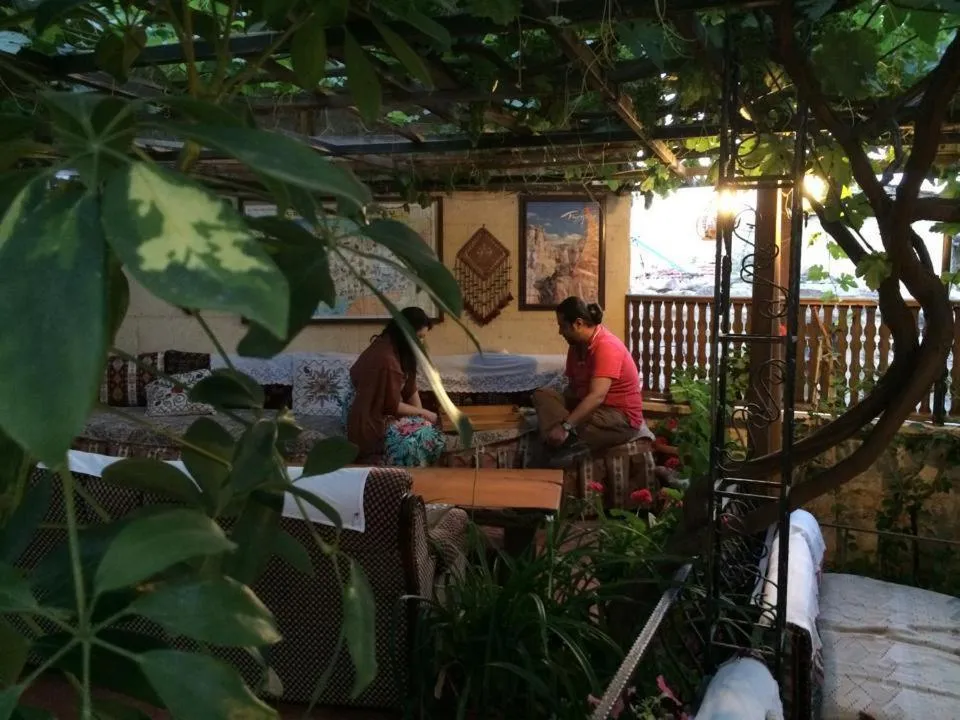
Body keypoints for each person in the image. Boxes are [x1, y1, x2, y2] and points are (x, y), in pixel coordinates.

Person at [532, 297, 652, 467]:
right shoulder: (576, 347)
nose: (560, 332)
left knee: (574, 421)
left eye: (562, 326)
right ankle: (563, 440)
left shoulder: (606, 346)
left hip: (618, 417)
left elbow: (597, 396)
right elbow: (572, 388)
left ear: (578, 323)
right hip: (592, 407)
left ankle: (563, 440)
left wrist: (565, 425)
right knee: (542, 395)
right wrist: (559, 408)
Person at [344, 307, 446, 467]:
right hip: (368, 418)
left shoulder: (400, 350)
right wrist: (424, 413)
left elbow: (410, 388)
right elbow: (390, 405)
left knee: (428, 428)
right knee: (425, 437)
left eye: (423, 338)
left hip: (382, 411)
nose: (421, 343)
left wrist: (421, 419)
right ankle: (405, 477)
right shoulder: (385, 358)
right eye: (418, 337)